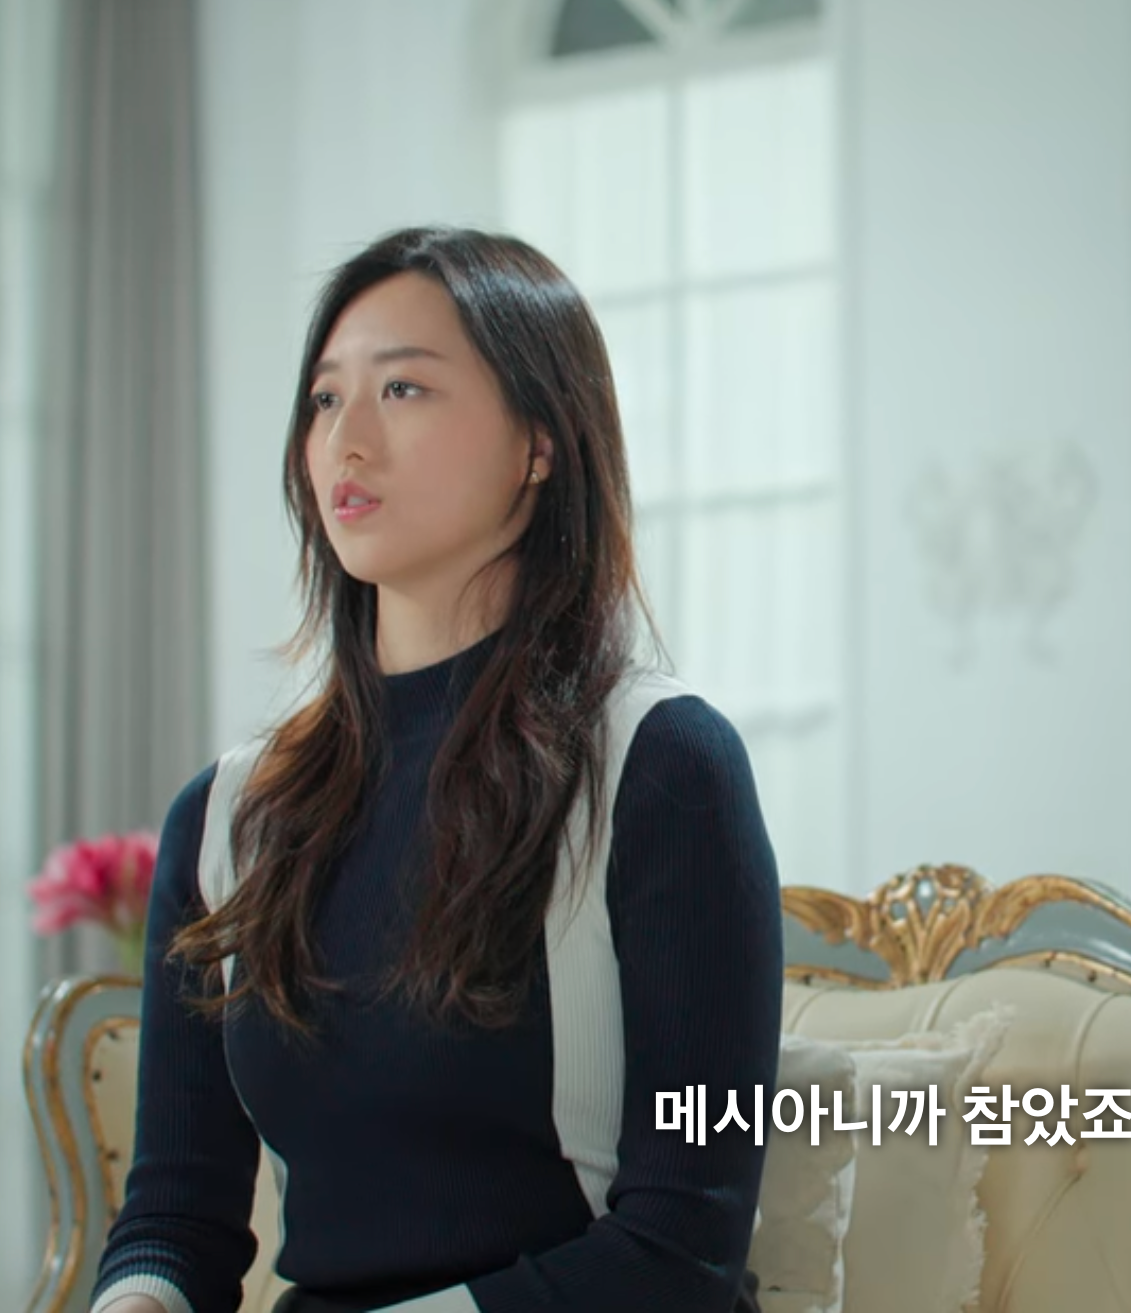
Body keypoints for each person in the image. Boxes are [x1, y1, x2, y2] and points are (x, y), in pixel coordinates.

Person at [91, 227, 783, 1313]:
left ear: (538, 444)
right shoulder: (229, 816)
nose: (346, 440)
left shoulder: (660, 768)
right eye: (325, 399)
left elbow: (682, 1248)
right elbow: (177, 1214)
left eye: (403, 389)